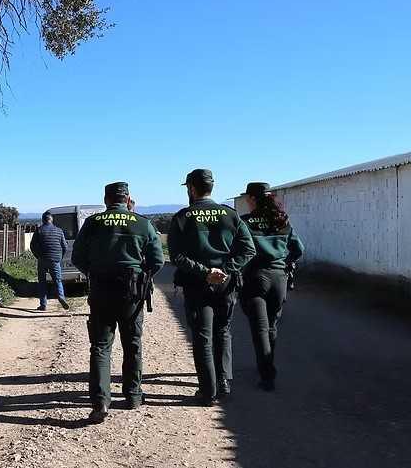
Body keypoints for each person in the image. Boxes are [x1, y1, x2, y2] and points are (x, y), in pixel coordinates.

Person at [72, 182, 165, 422]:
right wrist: (142, 276)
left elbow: (77, 257)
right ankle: (133, 395)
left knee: (101, 346)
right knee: (132, 344)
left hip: (101, 289)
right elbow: (157, 260)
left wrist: (94, 272)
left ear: (106, 199)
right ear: (127, 199)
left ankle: (101, 401)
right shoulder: (143, 223)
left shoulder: (93, 223)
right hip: (132, 291)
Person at [167, 169, 256, 406]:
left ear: (192, 189)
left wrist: (206, 272)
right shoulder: (231, 215)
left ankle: (208, 391)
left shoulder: (183, 217)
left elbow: (176, 256)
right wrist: (225, 269)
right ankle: (224, 381)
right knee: (223, 331)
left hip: (197, 284)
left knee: (202, 336)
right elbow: (248, 250)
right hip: (226, 285)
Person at [240, 182, 304, 392]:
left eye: (247, 198)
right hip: (279, 279)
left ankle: (267, 375)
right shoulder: (282, 221)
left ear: (252, 199)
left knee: (259, 329)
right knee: (271, 326)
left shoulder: (245, 222)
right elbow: (298, 249)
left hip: (255, 278)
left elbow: (237, 250)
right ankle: (267, 366)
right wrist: (286, 263)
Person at [30, 212, 70, 311]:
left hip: (42, 259)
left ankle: (43, 305)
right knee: (58, 280)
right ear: (51, 220)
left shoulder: (39, 230)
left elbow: (32, 246)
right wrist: (59, 257)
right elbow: (65, 247)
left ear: (43, 220)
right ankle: (61, 297)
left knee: (42, 282)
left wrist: (38, 256)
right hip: (55, 260)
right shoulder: (59, 231)